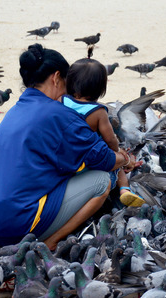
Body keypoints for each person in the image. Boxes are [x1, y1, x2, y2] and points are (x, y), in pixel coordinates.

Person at [0, 44, 136, 249]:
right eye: (66, 83)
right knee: (102, 181)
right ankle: (51, 241)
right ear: (56, 77)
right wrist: (125, 158)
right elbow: (106, 160)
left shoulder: (16, 109)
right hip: (11, 226)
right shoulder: (59, 115)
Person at [61, 58, 145, 207]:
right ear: (101, 89)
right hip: (89, 162)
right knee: (116, 163)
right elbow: (110, 139)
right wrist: (119, 152)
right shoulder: (98, 112)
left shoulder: (62, 101)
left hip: (66, 160)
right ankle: (125, 190)